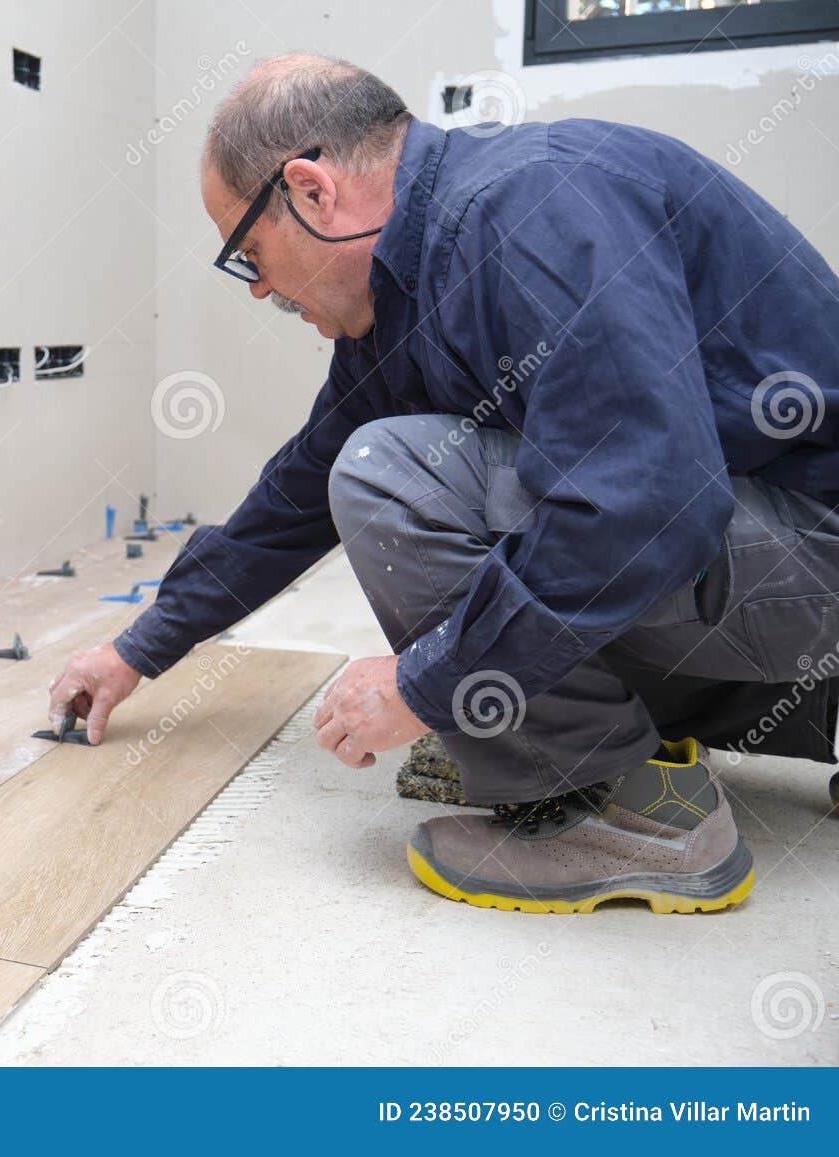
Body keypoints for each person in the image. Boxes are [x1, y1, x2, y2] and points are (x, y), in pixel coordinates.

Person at [46, 53, 839, 915]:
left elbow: (643, 502)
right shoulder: (417, 284)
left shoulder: (533, 213)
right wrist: (136, 650)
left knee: (394, 476)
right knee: (384, 469)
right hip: (781, 563)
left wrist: (433, 684)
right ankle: (586, 743)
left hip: (813, 557)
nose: (261, 288)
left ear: (312, 194)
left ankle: (641, 821)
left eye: (250, 253)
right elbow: (293, 499)